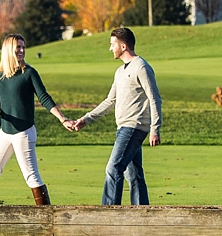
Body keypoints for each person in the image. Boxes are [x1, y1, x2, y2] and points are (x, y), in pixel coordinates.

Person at [64, 26, 161, 205]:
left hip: (134, 127)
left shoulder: (142, 67)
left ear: (123, 46)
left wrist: (155, 128)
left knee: (114, 168)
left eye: (112, 44)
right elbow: (110, 101)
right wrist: (86, 119)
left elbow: (155, 98)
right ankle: (143, 215)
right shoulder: (120, 72)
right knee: (134, 174)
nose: (110, 48)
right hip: (123, 127)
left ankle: (108, 213)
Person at [0, 34, 70, 206]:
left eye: (23, 47)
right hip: (5, 132)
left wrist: (62, 119)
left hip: (24, 132)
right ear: (7, 50)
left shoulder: (29, 73)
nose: (21, 50)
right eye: (17, 47)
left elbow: (44, 98)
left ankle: (46, 217)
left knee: (31, 176)